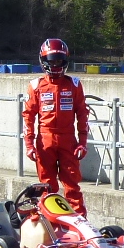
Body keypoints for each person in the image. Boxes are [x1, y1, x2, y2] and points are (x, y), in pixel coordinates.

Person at [23, 38, 90, 213]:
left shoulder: (74, 84)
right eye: (52, 61)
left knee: (72, 186)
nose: (55, 65)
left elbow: (83, 114)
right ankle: (51, 221)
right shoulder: (36, 85)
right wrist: (29, 145)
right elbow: (28, 116)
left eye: (59, 61)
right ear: (43, 61)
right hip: (45, 141)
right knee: (47, 187)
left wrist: (83, 143)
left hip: (68, 140)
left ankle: (78, 221)